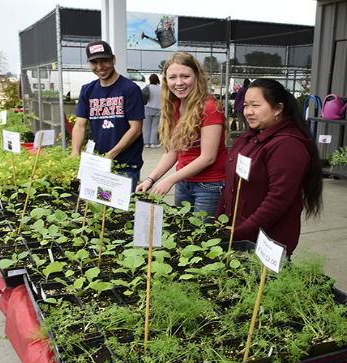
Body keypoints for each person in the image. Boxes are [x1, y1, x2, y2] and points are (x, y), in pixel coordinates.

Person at [217, 79, 323, 255]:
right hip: (238, 237)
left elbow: (277, 200)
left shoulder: (287, 145)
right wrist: (219, 224)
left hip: (265, 243)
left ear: (278, 108)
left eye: (256, 105)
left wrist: (238, 234)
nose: (249, 112)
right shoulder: (248, 139)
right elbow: (230, 186)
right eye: (246, 105)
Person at [136, 52, 228, 218]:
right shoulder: (174, 106)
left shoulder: (210, 108)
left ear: (197, 77)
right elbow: (172, 151)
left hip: (210, 185)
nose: (178, 83)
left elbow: (208, 157)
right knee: (184, 233)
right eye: (172, 77)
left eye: (185, 76)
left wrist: (170, 180)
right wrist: (150, 179)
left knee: (203, 238)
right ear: (165, 80)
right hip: (183, 183)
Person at [70, 40, 144, 191]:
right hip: (98, 163)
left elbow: (136, 129)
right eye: (94, 62)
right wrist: (75, 151)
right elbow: (79, 125)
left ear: (113, 59)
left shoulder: (130, 89)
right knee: (98, 210)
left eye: (104, 60)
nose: (99, 67)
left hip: (126, 166)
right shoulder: (87, 90)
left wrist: (111, 155)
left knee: (121, 212)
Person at [142, 74, 162, 148]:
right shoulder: (160, 89)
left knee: (146, 126)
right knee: (155, 126)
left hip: (147, 108)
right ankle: (153, 143)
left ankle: (146, 143)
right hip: (158, 109)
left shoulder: (147, 87)